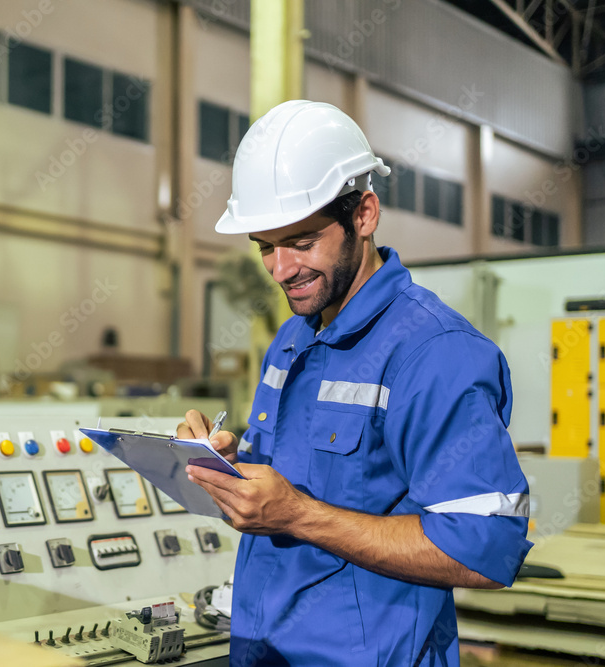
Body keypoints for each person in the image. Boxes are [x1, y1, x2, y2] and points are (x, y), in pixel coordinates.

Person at [178, 100, 532, 666]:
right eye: (265, 247)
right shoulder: (294, 339)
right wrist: (223, 467)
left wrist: (295, 514)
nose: (280, 270)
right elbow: (292, 489)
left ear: (364, 215)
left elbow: (486, 549)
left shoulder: (434, 352)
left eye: (301, 242)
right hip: (261, 649)